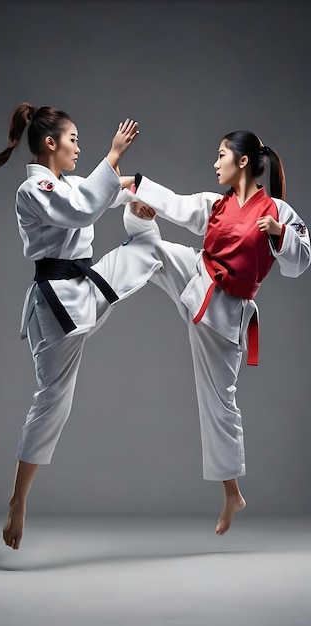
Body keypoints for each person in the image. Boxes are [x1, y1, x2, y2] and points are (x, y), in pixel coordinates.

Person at [0, 103, 163, 550]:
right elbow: (80, 211)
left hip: (86, 288)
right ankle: (18, 500)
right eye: (74, 139)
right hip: (55, 307)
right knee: (54, 402)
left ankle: (203, 283)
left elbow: (111, 192)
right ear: (51, 143)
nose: (80, 147)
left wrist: (145, 194)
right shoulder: (32, 188)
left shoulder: (70, 182)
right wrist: (112, 157)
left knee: (149, 250)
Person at [120, 129, 310, 535]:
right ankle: (93, 290)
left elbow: (302, 261)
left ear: (242, 161)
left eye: (221, 155)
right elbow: (174, 202)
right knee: (147, 247)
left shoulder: (277, 210)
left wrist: (280, 235)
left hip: (227, 312)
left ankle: (231, 494)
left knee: (219, 403)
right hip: (198, 273)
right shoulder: (215, 204)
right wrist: (132, 186)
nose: (215, 162)